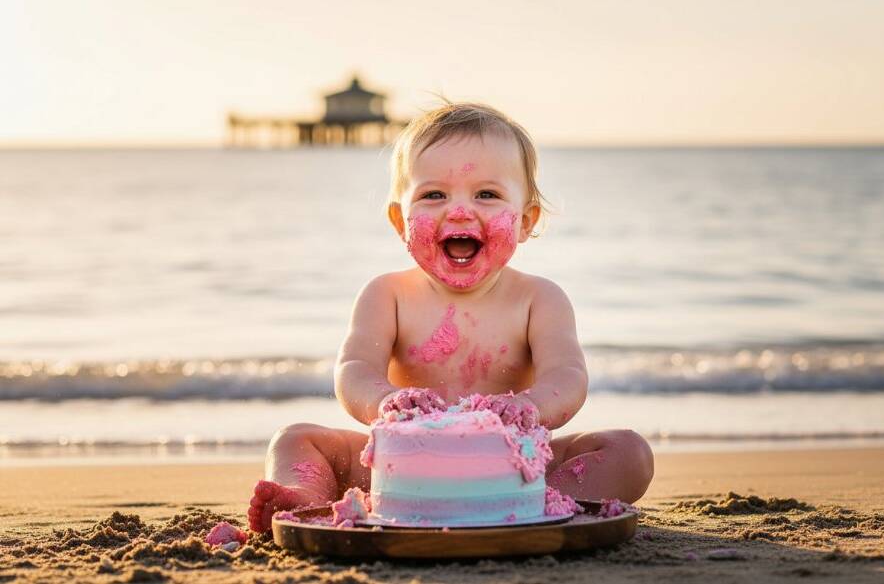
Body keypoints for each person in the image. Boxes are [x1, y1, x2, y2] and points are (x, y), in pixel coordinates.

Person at [248, 102, 654, 532]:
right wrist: (385, 401)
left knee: (629, 451)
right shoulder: (387, 295)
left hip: (514, 464)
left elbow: (568, 376)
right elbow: (353, 370)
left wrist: (530, 407)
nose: (459, 211)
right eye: (434, 195)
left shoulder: (539, 299)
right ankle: (305, 499)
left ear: (525, 221)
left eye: (487, 194)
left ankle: (543, 499)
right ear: (400, 221)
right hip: (401, 465)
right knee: (295, 439)